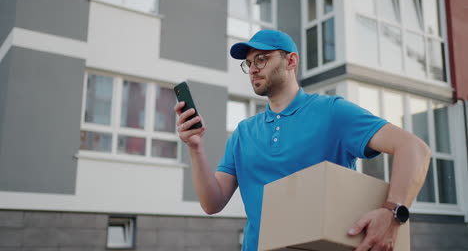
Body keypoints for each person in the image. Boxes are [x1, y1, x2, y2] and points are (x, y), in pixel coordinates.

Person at [174, 29, 431, 251]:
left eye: (261, 59)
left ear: (291, 61)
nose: (252, 69)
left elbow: (414, 149)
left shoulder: (332, 112)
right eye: (249, 63)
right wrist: (195, 148)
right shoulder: (243, 132)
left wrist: (392, 213)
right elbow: (212, 203)